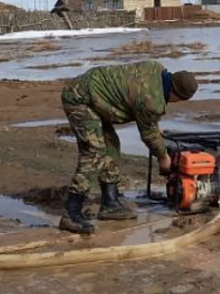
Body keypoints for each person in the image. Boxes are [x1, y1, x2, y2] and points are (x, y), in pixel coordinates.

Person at [58, 59, 198, 234]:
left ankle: (110, 203)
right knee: (94, 152)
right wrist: (163, 157)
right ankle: (71, 212)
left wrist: (154, 129)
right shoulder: (151, 101)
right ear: (177, 95)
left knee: (111, 146)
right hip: (80, 98)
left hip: (97, 98)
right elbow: (148, 134)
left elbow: (147, 117)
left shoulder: (155, 69)